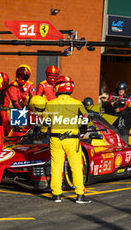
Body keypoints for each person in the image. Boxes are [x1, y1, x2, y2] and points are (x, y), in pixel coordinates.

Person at [41, 76, 91, 204]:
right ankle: (80, 195)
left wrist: (42, 132)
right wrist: (82, 127)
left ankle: (56, 194)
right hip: (72, 139)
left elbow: (45, 123)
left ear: (57, 88)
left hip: (55, 139)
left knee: (56, 166)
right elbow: (86, 119)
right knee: (76, 166)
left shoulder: (50, 104)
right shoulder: (77, 103)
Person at [1, 66, 35, 135]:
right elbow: (15, 102)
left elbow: (31, 99)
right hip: (8, 112)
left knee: (21, 130)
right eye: (21, 77)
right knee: (9, 132)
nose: (23, 80)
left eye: (25, 78)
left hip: (19, 110)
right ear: (17, 76)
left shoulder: (26, 86)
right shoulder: (13, 86)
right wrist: (24, 112)